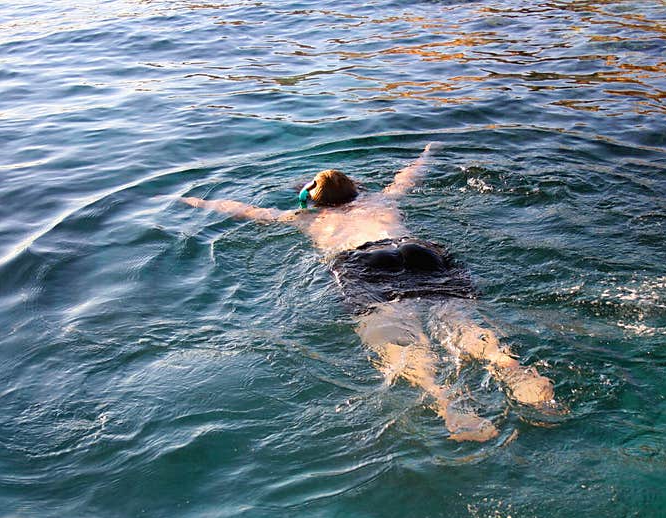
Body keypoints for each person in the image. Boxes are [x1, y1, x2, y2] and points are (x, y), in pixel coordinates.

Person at [181, 143, 554, 441]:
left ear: (312, 198)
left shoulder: (307, 217)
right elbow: (407, 176)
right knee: (457, 316)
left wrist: (196, 201)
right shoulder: (381, 200)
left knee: (399, 336)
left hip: (364, 264)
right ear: (356, 189)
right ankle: (511, 367)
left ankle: (446, 401)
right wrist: (427, 152)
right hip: (416, 250)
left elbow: (244, 210)